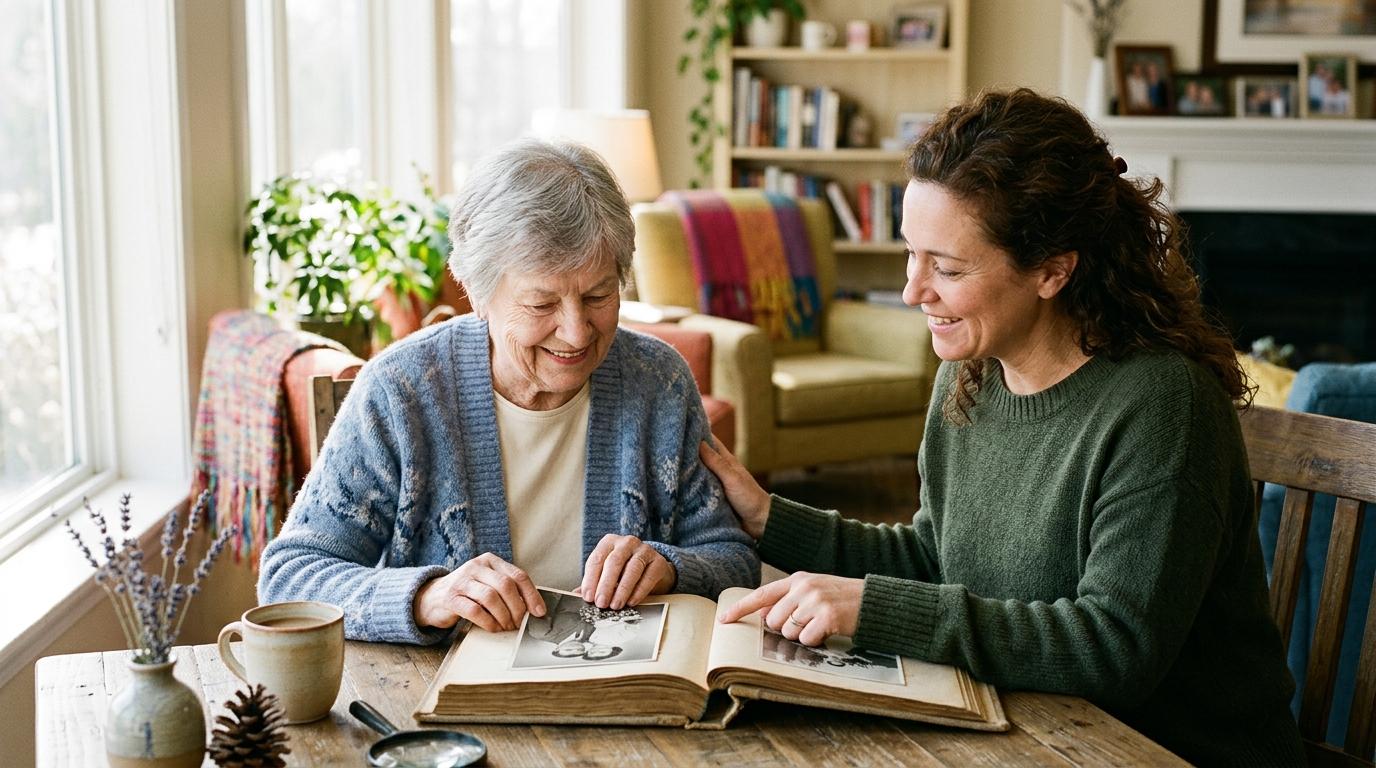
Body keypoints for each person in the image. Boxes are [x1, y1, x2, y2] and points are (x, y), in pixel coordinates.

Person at [702, 88, 1304, 766]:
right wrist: (767, 519)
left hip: (1166, 751)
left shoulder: (1163, 404)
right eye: (910, 252)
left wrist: (873, 609)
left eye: (948, 268)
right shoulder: (970, 375)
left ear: (1052, 270)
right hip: (1031, 730)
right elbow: (937, 556)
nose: (912, 290)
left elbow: (1115, 648)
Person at [259, 138, 759, 645]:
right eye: (542, 304)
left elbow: (733, 557)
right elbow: (288, 581)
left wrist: (672, 567)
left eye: (598, 296)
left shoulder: (660, 382)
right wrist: (426, 596)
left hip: (621, 691)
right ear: (478, 294)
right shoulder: (402, 391)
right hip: (440, 698)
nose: (577, 332)